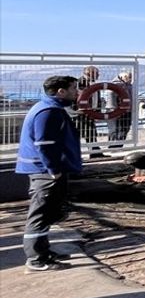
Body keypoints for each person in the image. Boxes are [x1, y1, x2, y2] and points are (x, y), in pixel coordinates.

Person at [16, 76, 83, 271]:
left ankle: (43, 251)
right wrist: (54, 170)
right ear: (60, 91)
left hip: (46, 170)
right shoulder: (49, 112)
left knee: (49, 212)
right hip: (45, 172)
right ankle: (36, 258)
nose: (77, 93)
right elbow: (44, 144)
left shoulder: (48, 108)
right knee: (40, 214)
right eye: (73, 89)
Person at [109, 71, 133, 147]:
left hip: (127, 110)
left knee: (125, 128)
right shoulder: (115, 85)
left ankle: (119, 144)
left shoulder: (128, 85)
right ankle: (113, 145)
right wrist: (115, 110)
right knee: (115, 129)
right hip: (117, 110)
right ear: (123, 77)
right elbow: (112, 99)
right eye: (128, 78)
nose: (130, 79)